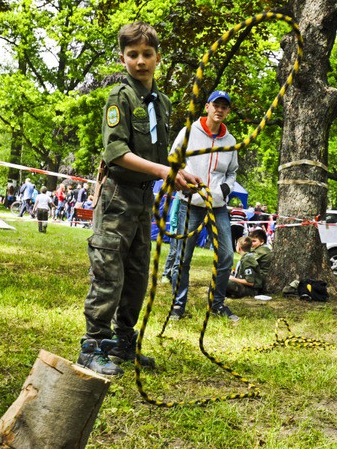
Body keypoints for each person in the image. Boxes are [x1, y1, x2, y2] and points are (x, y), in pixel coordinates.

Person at [77, 21, 200, 376]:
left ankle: (122, 342)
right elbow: (116, 152)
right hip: (118, 195)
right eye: (133, 55)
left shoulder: (161, 102)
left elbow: (159, 156)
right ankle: (93, 344)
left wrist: (175, 175)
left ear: (157, 57)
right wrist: (164, 173)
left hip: (145, 199)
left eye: (147, 54)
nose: (140, 61)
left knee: (136, 274)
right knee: (108, 272)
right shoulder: (121, 97)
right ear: (123, 58)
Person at [168, 90, 240, 323]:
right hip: (189, 203)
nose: (219, 110)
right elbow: (172, 160)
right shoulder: (189, 132)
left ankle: (217, 304)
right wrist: (183, 178)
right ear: (207, 107)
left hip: (218, 206)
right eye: (216, 105)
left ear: (228, 112)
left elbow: (232, 172)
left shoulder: (230, 141)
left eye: (224, 107)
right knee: (182, 257)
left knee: (227, 255)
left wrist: (226, 189)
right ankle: (178, 306)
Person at [161, 194, 181, 283]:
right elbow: (173, 212)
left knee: (180, 254)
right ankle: (166, 274)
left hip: (185, 231)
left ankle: (175, 276)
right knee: (173, 252)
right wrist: (174, 226)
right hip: (176, 230)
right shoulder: (179, 195)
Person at [249, 228, 272, 292]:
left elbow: (248, 261)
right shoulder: (263, 248)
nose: (251, 243)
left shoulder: (261, 251)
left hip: (261, 277)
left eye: (254, 241)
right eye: (250, 241)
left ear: (262, 241)